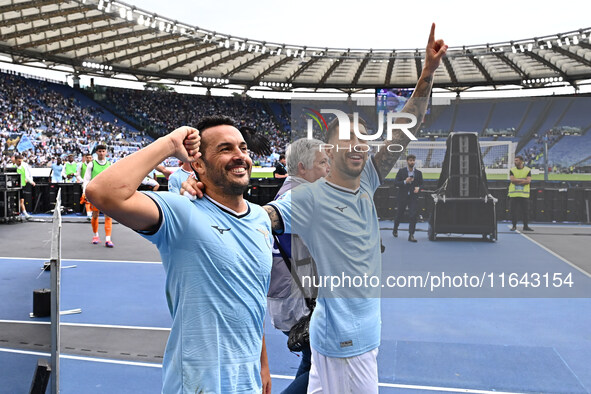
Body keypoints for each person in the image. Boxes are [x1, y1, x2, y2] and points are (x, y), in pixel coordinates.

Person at [183, 23, 446, 394]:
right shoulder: (310, 197)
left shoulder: (366, 180)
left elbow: (403, 131)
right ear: (330, 153)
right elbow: (262, 218)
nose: (358, 145)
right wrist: (205, 191)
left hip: (338, 335)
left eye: (362, 139)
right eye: (346, 140)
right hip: (346, 342)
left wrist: (427, 76)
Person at [85, 116, 273, 394]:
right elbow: (100, 192)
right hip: (198, 385)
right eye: (225, 149)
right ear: (198, 165)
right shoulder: (181, 212)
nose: (240, 156)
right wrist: (171, 143)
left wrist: (263, 364)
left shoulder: (260, 218)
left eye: (243, 148)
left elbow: (251, 300)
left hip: (248, 382)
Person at [268, 138, 329, 394]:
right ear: (303, 167)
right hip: (297, 301)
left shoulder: (290, 190)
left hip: (287, 297)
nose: (328, 168)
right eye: (323, 162)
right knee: (325, 369)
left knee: (311, 360)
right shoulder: (301, 196)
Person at [83, 145, 115, 247]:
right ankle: (95, 235)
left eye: (103, 151)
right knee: (95, 215)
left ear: (106, 152)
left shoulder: (110, 164)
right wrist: (85, 192)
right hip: (95, 193)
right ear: (96, 152)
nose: (101, 153)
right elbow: (86, 179)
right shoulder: (91, 164)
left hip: (106, 193)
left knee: (108, 215)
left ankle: (108, 239)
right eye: (100, 151)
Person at [392, 154, 423, 242]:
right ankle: (395, 229)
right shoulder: (401, 171)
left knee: (413, 215)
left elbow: (421, 184)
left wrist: (419, 188)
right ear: (407, 161)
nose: (412, 162)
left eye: (413, 160)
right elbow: (396, 183)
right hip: (402, 196)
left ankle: (411, 235)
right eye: (410, 160)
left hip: (413, 197)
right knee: (399, 214)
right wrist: (405, 181)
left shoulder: (418, 173)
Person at [508, 155, 533, 231]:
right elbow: (512, 180)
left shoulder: (527, 170)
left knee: (525, 212)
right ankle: (514, 226)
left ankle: (525, 226)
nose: (515, 162)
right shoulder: (512, 170)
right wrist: (523, 181)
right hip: (514, 194)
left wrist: (517, 181)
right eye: (515, 160)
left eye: (517, 160)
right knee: (513, 211)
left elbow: (528, 181)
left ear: (521, 161)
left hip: (524, 194)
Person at [15, 154, 35, 219]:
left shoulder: (23, 168)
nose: (20, 162)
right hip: (13, 188)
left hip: (21, 186)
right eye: (18, 161)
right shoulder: (12, 167)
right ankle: (16, 214)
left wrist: (31, 182)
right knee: (14, 201)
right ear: (15, 161)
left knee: (21, 201)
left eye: (21, 161)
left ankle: (25, 214)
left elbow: (27, 176)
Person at [78, 153, 94, 220]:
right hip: (85, 184)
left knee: (93, 199)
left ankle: (92, 212)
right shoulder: (81, 165)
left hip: (93, 183)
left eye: (90, 158)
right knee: (86, 198)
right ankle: (89, 214)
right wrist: (82, 180)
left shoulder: (93, 165)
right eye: (87, 158)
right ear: (85, 158)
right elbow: (78, 175)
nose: (89, 159)